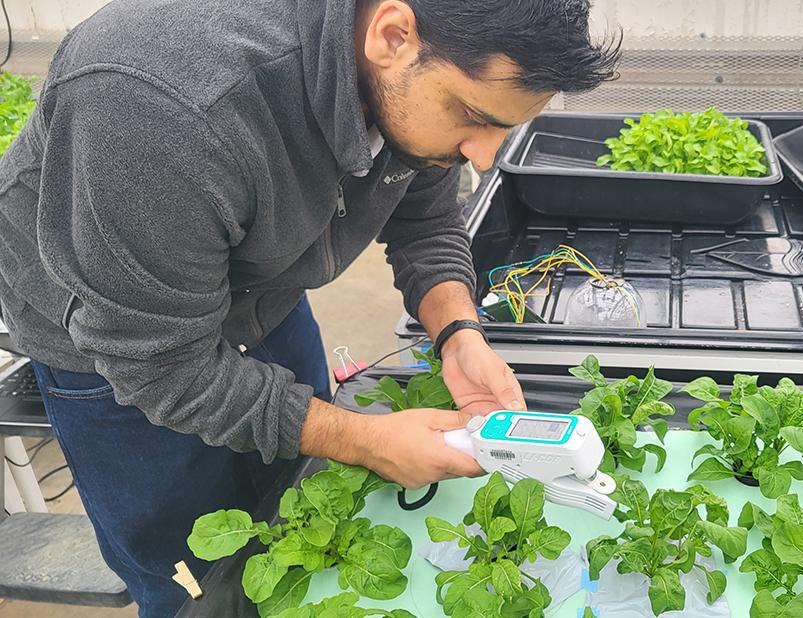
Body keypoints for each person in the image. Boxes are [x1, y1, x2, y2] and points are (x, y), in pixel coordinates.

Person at [0, 0, 620, 614]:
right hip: (119, 348)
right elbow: (160, 367)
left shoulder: (415, 86)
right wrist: (366, 439)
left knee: (299, 497)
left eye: (503, 128)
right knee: (189, 578)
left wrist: (459, 334)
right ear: (393, 35)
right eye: (474, 116)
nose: (485, 156)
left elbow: (426, 220)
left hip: (264, 295)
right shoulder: (161, 106)